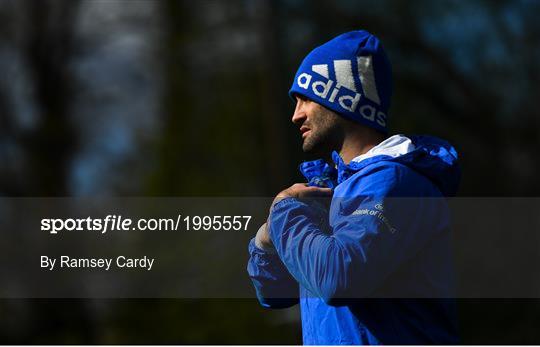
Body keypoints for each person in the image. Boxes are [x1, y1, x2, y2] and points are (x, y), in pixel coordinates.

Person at [247, 30, 461, 345]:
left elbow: (338, 278)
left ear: (341, 97)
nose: (296, 115)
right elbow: (274, 293)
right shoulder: (333, 190)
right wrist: (265, 241)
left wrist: (284, 211)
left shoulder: (395, 183)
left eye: (305, 97)